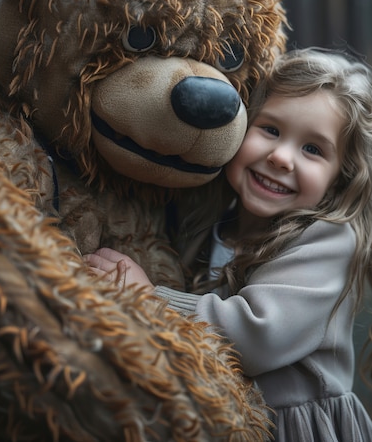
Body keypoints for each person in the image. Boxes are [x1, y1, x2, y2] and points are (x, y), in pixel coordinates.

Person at [84, 47, 372, 442]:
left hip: (293, 428)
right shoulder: (213, 219)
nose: (282, 158)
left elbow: (257, 337)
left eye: (313, 150)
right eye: (270, 129)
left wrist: (151, 298)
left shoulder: (329, 240)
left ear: (341, 178)